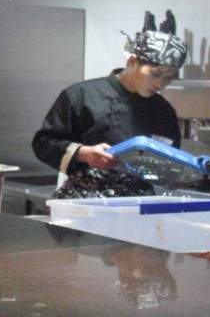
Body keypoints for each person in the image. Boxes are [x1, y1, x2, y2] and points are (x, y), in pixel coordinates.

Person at [32, 18, 188, 197]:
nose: (160, 84)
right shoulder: (81, 95)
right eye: (155, 74)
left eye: (169, 78)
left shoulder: (163, 110)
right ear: (132, 61)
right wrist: (84, 153)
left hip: (138, 204)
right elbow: (43, 144)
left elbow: (170, 162)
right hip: (84, 202)